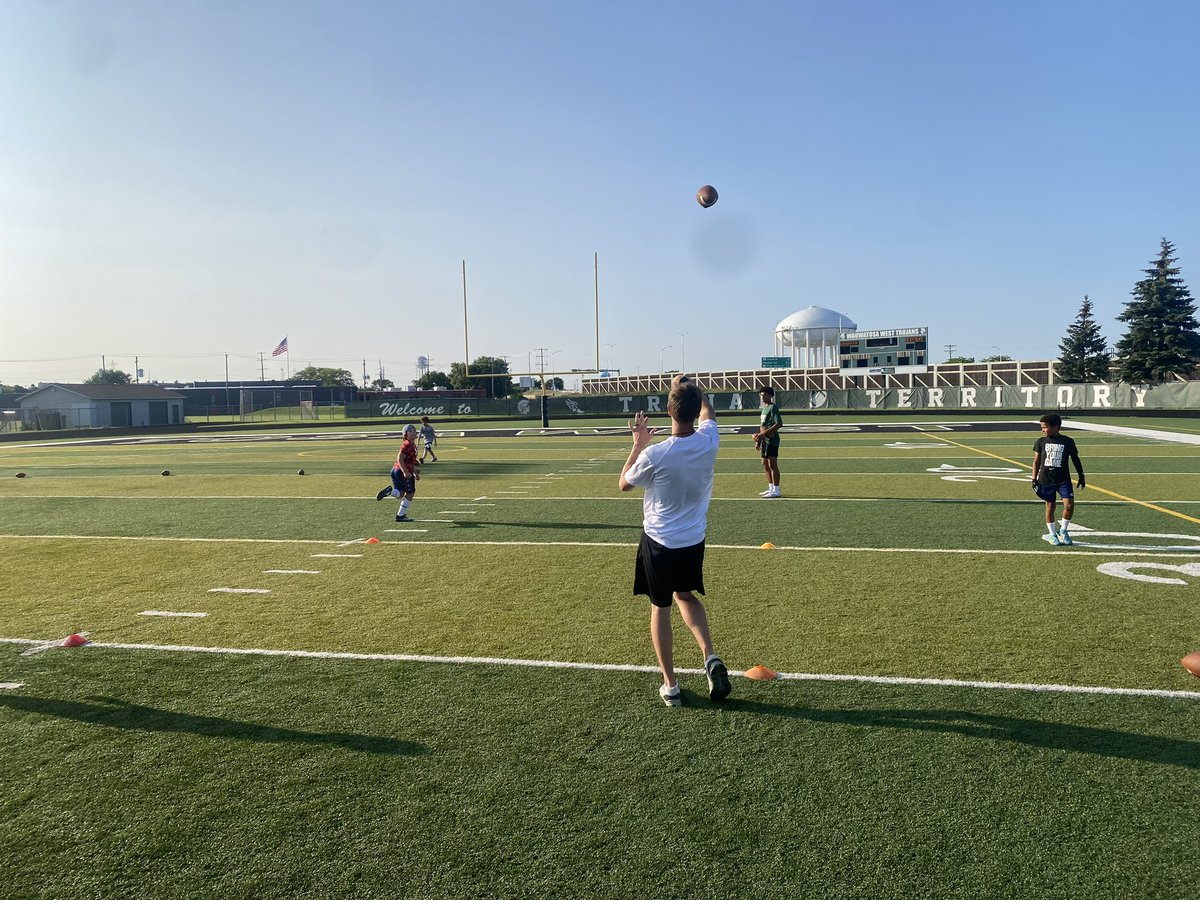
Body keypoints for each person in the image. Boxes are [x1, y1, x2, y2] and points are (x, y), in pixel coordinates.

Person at [619, 375, 731, 707]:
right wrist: (694, 388)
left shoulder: (655, 454)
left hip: (659, 542)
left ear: (669, 409)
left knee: (661, 608)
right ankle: (710, 656)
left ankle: (671, 685)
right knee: (686, 595)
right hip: (693, 540)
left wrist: (637, 444)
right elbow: (708, 414)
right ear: (696, 409)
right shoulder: (708, 439)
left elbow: (623, 484)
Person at [1032, 413, 1085, 545]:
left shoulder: (1068, 441)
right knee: (1050, 506)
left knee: (1069, 505)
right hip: (1046, 479)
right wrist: (1034, 478)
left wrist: (1081, 475)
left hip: (1063, 480)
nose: (1042, 430)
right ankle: (1052, 534)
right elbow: (1036, 461)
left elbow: (1075, 459)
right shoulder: (1040, 442)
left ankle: (1064, 530)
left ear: (1056, 427)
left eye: (1045, 427)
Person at [376, 424, 420, 522]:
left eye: (414, 430)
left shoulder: (412, 445)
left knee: (400, 494)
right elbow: (399, 458)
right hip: (401, 470)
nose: (413, 432)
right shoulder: (407, 444)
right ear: (405, 434)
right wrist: (405, 471)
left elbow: (410, 461)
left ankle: (390, 492)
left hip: (396, 470)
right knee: (410, 493)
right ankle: (400, 515)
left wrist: (415, 473)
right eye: (410, 431)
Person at [755, 385, 783, 498]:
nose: (762, 397)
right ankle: (770, 487)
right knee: (764, 464)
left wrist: (764, 434)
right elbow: (762, 426)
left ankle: (776, 490)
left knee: (772, 464)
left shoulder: (773, 407)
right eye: (761, 395)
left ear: (770, 396)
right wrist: (759, 439)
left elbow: (779, 423)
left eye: (765, 395)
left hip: (772, 440)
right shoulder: (764, 409)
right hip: (765, 440)